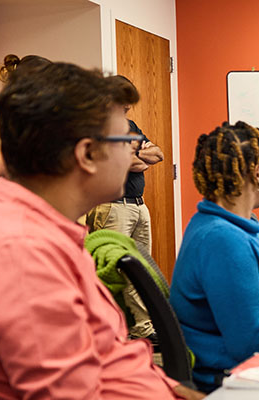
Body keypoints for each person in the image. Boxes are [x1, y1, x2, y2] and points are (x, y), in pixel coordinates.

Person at [0, 61, 203, 399]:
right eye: (126, 139)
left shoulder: (47, 237)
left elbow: (111, 362)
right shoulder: (19, 256)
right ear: (87, 154)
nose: (133, 150)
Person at [170, 121, 259, 392]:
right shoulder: (223, 239)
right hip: (242, 381)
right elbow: (249, 344)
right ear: (257, 174)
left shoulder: (241, 226)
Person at [84, 75, 164, 340]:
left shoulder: (127, 125)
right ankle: (111, 332)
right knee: (113, 272)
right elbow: (115, 163)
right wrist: (134, 154)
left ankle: (143, 327)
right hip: (112, 207)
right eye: (123, 105)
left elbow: (158, 154)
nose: (127, 111)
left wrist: (132, 154)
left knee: (140, 271)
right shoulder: (96, 125)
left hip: (138, 205)